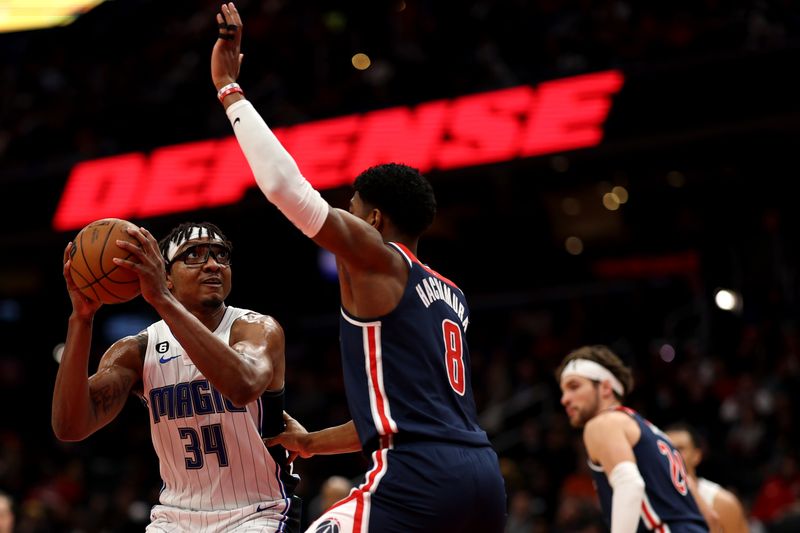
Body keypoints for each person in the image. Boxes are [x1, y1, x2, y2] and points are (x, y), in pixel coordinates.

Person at [211, 4, 508, 531]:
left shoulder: (377, 258)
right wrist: (310, 444)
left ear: (372, 218)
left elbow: (284, 189)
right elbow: (400, 410)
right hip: (481, 475)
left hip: (419, 475)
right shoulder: (449, 292)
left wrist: (229, 90)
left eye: (349, 210)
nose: (341, 223)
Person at [52, 221, 300, 532]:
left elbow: (244, 385)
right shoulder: (137, 350)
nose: (212, 264)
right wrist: (81, 319)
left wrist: (161, 300)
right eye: (194, 255)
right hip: (174, 518)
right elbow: (70, 426)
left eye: (221, 255)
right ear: (165, 276)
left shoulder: (255, 328)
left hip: (257, 512)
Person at [557, 345, 709, 532]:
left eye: (574, 386)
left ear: (605, 387)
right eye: (563, 391)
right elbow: (711, 517)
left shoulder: (602, 423)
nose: (565, 399)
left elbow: (629, 484)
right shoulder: (656, 434)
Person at [665, 423, 750, 532]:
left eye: (680, 448)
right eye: (667, 448)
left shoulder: (722, 503)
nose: (673, 454)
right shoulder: (649, 496)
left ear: (697, 455)